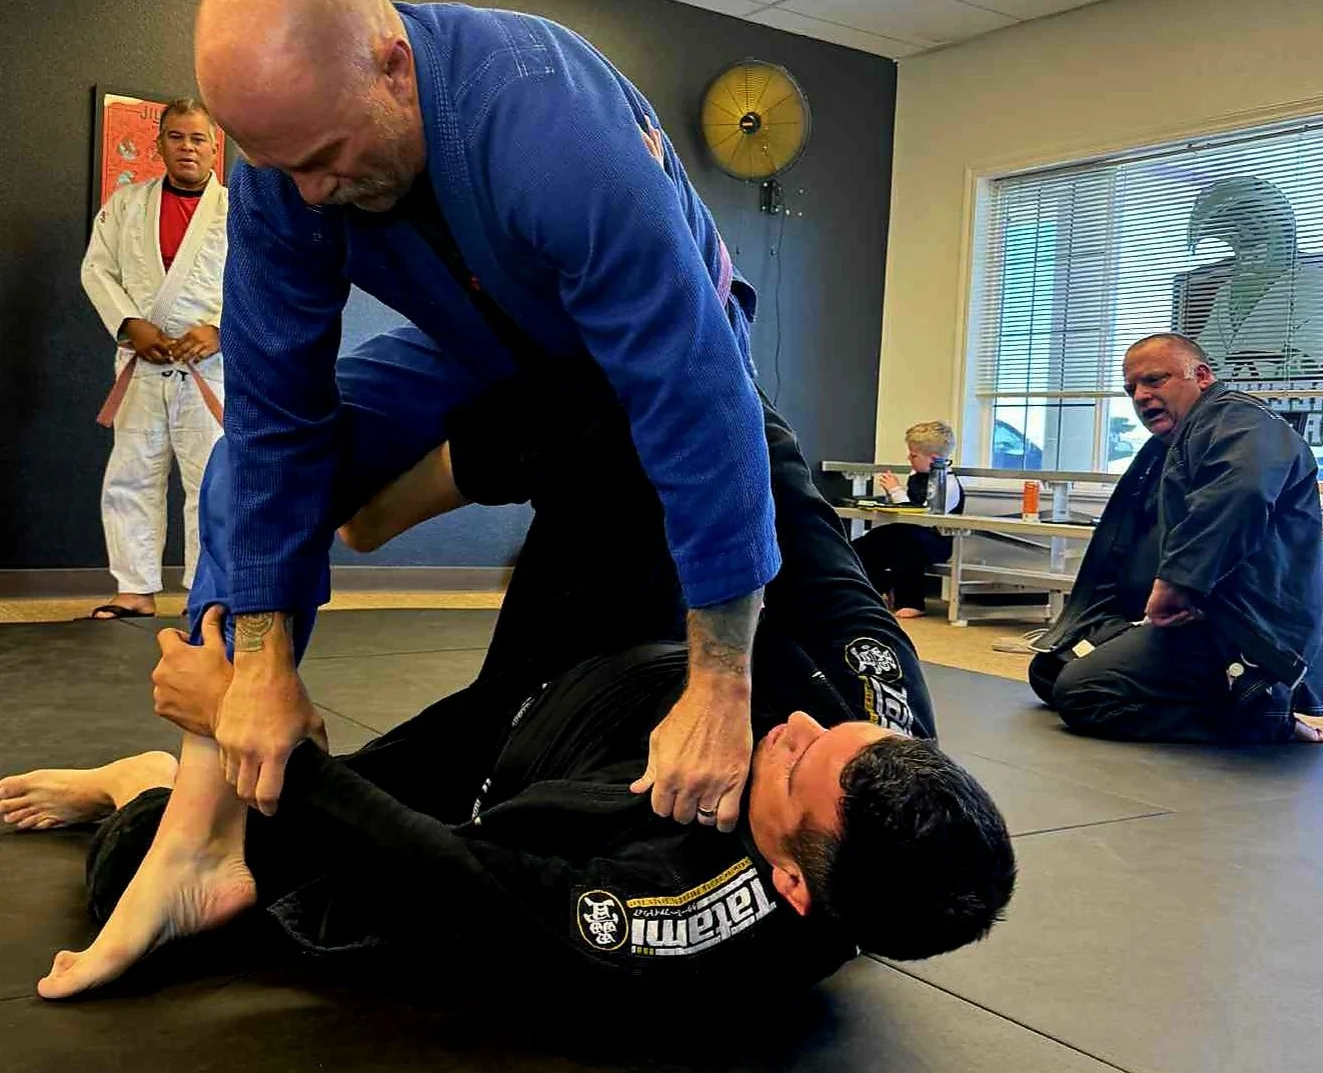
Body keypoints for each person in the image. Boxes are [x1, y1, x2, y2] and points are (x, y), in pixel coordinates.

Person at [6, 375, 1015, 1004]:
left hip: (505, 751)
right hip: (633, 634)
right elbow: (776, 473)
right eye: (829, 730)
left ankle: (128, 779)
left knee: (148, 861)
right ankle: (382, 512)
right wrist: (698, 348)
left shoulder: (696, 921)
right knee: (659, 390)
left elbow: (461, 872)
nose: (795, 722)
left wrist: (264, 741)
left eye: (796, 759)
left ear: (791, 878)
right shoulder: (877, 706)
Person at [192, 0, 781, 829]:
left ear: (394, 69)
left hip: (644, 345)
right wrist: (263, 657)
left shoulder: (551, 128)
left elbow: (694, 397)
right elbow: (276, 412)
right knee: (238, 470)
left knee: (626, 549)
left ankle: (420, 492)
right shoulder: (285, 177)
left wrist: (720, 686)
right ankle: (207, 799)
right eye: (282, 168)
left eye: (324, 156)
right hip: (479, 338)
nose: (310, 192)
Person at [1029, 333, 1323, 745]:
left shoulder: (1242, 421)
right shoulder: (1169, 446)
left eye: (1154, 380)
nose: (1141, 396)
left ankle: (1261, 715)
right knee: (1049, 667)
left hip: (1234, 632)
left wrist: (1178, 585)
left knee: (1083, 694)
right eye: (1131, 389)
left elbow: (1242, 491)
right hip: (1173, 621)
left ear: (1201, 376)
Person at [80, 99, 226, 621]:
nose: (187, 147)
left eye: (197, 139)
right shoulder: (125, 205)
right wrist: (129, 324)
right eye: (176, 137)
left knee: (210, 479)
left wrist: (219, 330)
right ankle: (134, 589)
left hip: (207, 367)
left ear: (215, 147)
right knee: (132, 473)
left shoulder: (236, 211)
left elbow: (258, 282)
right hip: (141, 362)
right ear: (159, 143)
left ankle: (204, 590)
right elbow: (97, 270)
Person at [852, 421, 965, 619]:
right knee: (867, 543)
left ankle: (912, 601)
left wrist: (896, 491)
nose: (909, 459)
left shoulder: (947, 484)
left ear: (934, 459)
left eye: (914, 456)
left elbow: (923, 516)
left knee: (905, 543)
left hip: (937, 540)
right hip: (909, 533)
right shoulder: (917, 475)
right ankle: (877, 587)